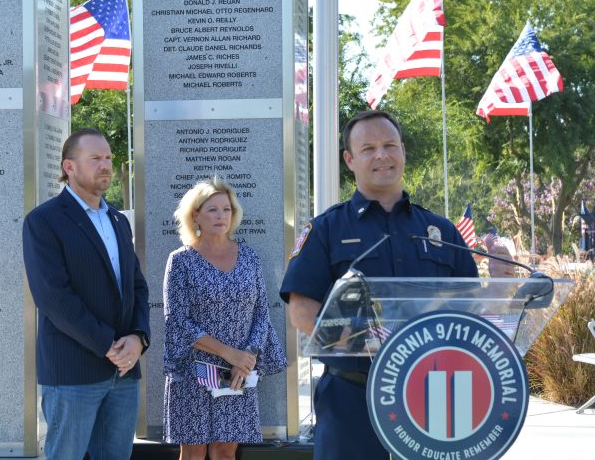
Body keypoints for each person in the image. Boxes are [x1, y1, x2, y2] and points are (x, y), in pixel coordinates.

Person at [280, 110, 478, 460]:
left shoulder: (443, 232)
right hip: (352, 398)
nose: (382, 155)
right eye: (368, 148)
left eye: (389, 145)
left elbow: (472, 306)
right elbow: (302, 311)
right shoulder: (326, 230)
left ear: (403, 151)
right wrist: (369, 342)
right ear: (350, 159)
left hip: (433, 395)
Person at [23, 128, 150, 460]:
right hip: (73, 374)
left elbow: (136, 286)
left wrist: (138, 338)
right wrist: (108, 345)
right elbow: (54, 298)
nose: (105, 165)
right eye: (94, 158)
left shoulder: (118, 221)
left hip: (123, 372)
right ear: (69, 167)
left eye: (107, 157)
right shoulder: (44, 221)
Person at [163, 177, 286, 460]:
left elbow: (261, 314)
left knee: (225, 453)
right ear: (195, 215)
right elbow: (177, 320)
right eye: (212, 210)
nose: (221, 216)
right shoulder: (180, 260)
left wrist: (247, 359)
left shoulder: (250, 258)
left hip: (238, 372)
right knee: (192, 454)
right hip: (193, 371)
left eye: (226, 209)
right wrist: (229, 353)